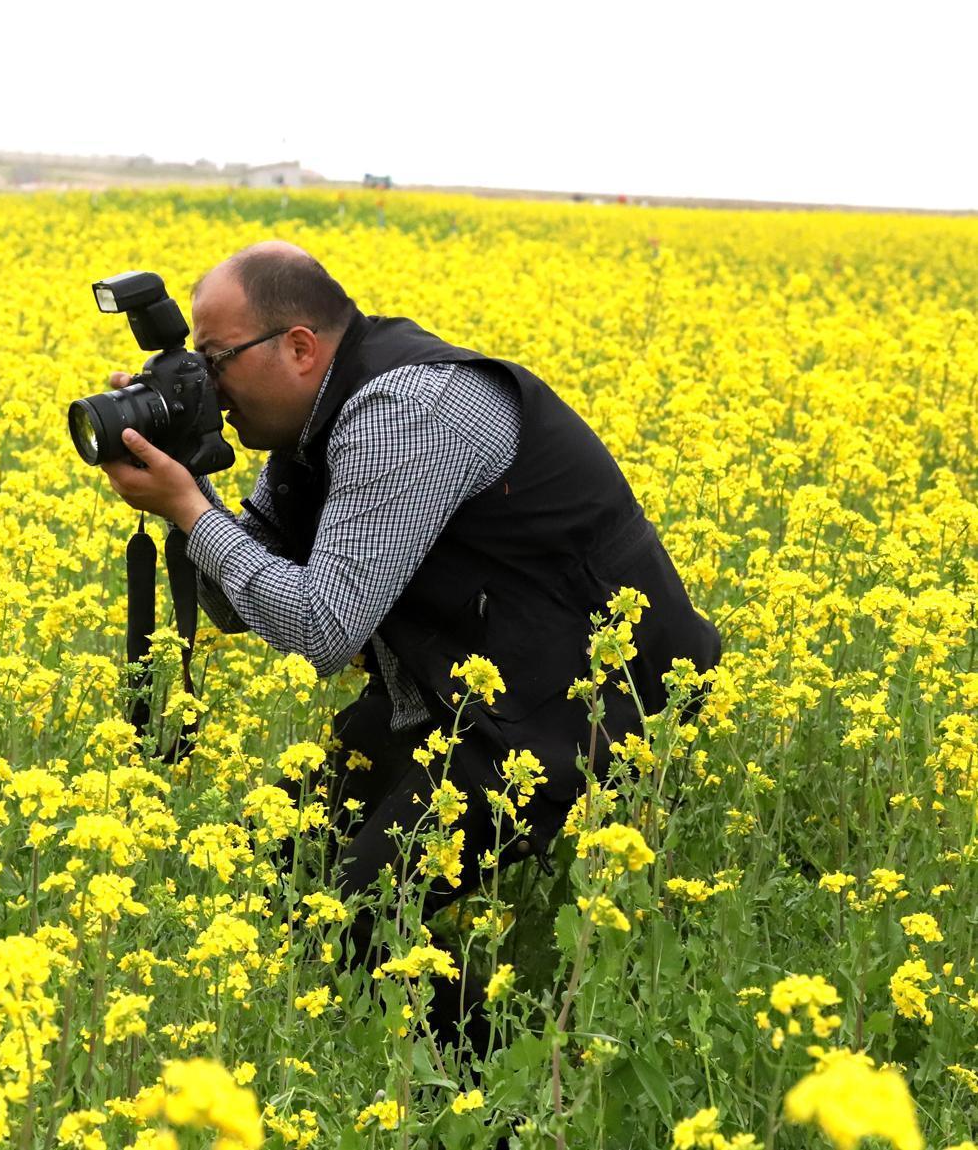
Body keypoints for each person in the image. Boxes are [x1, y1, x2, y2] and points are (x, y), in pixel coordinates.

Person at [99, 241, 720, 1052]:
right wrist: (187, 477)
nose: (206, 387)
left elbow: (321, 628)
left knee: (354, 916)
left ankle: (510, 1093)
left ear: (299, 346)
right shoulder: (309, 425)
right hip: (463, 688)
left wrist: (189, 511)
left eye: (214, 362)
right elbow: (238, 601)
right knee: (272, 862)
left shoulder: (403, 413)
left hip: (585, 701)